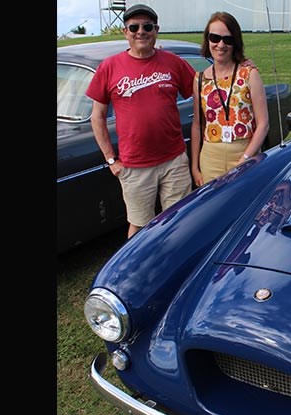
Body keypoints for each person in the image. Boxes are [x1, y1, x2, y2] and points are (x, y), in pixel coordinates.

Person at [86, 4, 197, 239]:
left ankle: (174, 266)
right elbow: (97, 117)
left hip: (174, 161)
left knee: (179, 220)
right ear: (125, 32)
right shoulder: (109, 67)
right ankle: (137, 274)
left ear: (156, 30)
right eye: (134, 27)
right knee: (139, 227)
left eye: (147, 26)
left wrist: (237, 65)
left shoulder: (173, 62)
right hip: (134, 166)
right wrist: (111, 159)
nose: (141, 32)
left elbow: (201, 88)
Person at [190, 12, 270, 186]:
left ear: (235, 42)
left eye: (228, 39)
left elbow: (263, 124)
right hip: (211, 157)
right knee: (213, 208)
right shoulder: (200, 79)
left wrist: (245, 158)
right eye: (215, 38)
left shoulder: (249, 74)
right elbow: (197, 125)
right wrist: (195, 167)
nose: (220, 45)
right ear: (207, 40)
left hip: (244, 152)